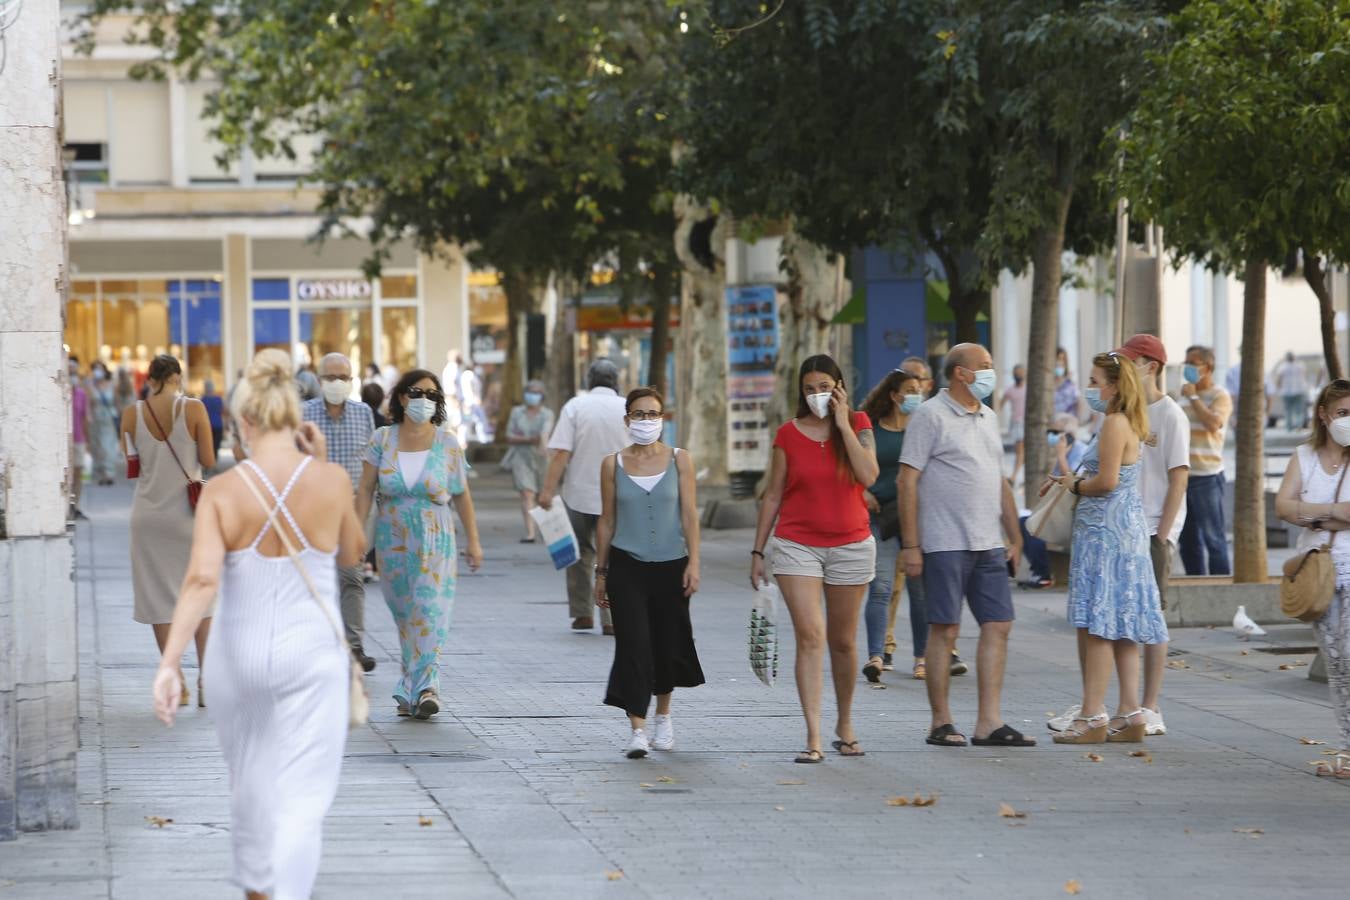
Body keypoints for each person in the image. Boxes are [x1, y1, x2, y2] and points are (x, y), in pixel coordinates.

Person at [151, 348, 364, 900]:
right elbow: (352, 555)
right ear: (295, 420)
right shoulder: (332, 480)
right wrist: (320, 462)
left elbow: (200, 582)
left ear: (243, 423)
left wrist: (171, 664)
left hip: (236, 657)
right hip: (311, 656)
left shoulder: (221, 491)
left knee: (249, 788)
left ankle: (255, 888)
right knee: (302, 798)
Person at [899, 343, 1032, 748]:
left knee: (999, 624)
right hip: (943, 542)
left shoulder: (989, 416)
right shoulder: (930, 415)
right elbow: (907, 480)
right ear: (961, 373)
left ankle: (988, 722)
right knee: (945, 627)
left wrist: (1015, 534)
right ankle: (941, 722)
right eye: (986, 366)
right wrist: (911, 545)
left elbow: (999, 480)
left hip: (987, 542)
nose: (992, 372)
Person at [750, 355, 879, 763]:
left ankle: (845, 724)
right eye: (809, 388)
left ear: (839, 387)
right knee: (810, 634)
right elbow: (773, 494)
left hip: (851, 544)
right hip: (796, 544)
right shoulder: (787, 434)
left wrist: (842, 423)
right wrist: (758, 550)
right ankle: (813, 736)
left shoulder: (859, 424)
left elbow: (869, 476)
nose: (817, 395)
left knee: (842, 641)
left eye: (825, 386)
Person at [1045, 352, 1170, 744]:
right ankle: (1130, 712)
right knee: (1121, 626)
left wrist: (1075, 486)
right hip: (1120, 533)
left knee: (1099, 625)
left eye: (1096, 381)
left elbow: (1108, 482)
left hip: (1107, 535)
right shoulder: (1125, 421)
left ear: (1114, 386)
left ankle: (1092, 714)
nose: (1091, 388)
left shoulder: (1115, 422)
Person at [356, 370, 483, 719]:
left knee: (429, 612)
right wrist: (357, 535)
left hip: (436, 538)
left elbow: (462, 496)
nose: (424, 400)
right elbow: (366, 490)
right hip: (392, 540)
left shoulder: (448, 443)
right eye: (417, 392)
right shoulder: (382, 439)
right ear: (401, 397)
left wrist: (473, 541)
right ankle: (409, 686)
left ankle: (427, 687)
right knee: (407, 616)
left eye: (432, 395)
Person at [594, 387, 704, 758]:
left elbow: (689, 514)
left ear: (663, 418)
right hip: (627, 565)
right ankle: (637, 727)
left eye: (652, 414)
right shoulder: (612, 464)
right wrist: (601, 571)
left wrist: (694, 562)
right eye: (639, 415)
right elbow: (607, 520)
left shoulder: (680, 460)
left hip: (672, 563)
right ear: (627, 420)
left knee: (666, 642)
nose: (646, 421)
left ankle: (664, 717)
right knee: (633, 644)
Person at [122, 354, 216, 706]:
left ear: (151, 378)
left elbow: (131, 465)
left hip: (147, 516)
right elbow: (206, 458)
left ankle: (175, 678)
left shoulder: (132, 413)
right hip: (187, 515)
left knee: (159, 600)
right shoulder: (193, 409)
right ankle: (207, 679)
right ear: (178, 375)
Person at [1274, 379, 1350, 777]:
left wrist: (1311, 511)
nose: (1348, 421)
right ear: (1323, 414)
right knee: (1336, 663)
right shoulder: (1304, 456)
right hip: (1318, 572)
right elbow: (1282, 506)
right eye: (1341, 413)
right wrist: (1332, 510)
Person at [1115, 334, 1188, 737]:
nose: (1126, 368)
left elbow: (1179, 478)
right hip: (1124, 527)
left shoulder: (1171, 414)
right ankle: (1129, 704)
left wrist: (1161, 535)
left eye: (1132, 361)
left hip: (1154, 528)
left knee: (1153, 616)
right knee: (1127, 616)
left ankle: (1152, 704)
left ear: (1152, 366)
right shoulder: (1125, 410)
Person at [539, 359, 630, 634]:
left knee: (579, 553)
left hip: (579, 493)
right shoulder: (627, 407)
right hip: (618, 494)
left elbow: (561, 453)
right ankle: (612, 618)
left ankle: (582, 614)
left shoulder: (575, 406)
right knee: (615, 554)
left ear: (590, 380)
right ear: (615, 381)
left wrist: (547, 490)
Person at [889, 356, 966, 677]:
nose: (914, 388)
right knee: (890, 587)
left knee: (929, 590)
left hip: (932, 517)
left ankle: (940, 650)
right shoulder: (888, 422)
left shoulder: (936, 417)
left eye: (918, 381)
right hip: (892, 516)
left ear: (928, 384)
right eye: (907, 382)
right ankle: (886, 644)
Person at [303, 352, 378, 673]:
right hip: (315, 509)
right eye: (331, 378)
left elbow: (371, 468)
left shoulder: (364, 415)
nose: (337, 383)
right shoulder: (303, 415)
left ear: (352, 380)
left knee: (351, 578)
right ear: (319, 380)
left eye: (343, 378)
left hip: (352, 508)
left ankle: (353, 645)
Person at [858, 368, 926, 682]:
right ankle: (875, 655)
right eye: (910, 389)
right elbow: (854, 466)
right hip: (880, 516)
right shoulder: (871, 429)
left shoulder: (924, 427)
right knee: (881, 586)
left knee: (919, 589)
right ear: (894, 395)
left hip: (916, 515)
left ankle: (922, 657)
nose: (916, 394)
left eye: (919, 389)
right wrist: (863, 492)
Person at [1178, 345, 1232, 575]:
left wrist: (1193, 397)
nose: (1187, 367)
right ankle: (1195, 582)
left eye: (1193, 362)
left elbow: (1213, 423)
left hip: (1207, 476)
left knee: (1214, 538)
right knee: (1188, 539)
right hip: (1182, 477)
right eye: (1186, 362)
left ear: (1207, 367)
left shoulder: (1220, 395)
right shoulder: (1180, 397)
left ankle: (1220, 588)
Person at [1018, 413, 1089, 590]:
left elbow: (1072, 481)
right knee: (1025, 523)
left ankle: (1043, 574)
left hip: (1073, 510)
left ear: (1069, 435)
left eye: (1055, 432)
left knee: (1033, 526)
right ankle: (1039, 572)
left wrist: (1061, 455)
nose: (1051, 435)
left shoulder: (1080, 451)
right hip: (1063, 508)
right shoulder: (1065, 452)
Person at [502, 379, 556, 543]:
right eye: (530, 391)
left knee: (543, 496)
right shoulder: (517, 412)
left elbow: (545, 433)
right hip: (521, 457)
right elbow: (509, 437)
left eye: (536, 392)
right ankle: (530, 533)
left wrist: (541, 442)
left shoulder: (547, 414)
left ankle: (547, 531)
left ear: (542, 395)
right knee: (527, 494)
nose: (532, 395)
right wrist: (530, 439)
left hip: (542, 458)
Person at [88, 361, 121, 486]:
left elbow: (117, 401)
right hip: (95, 419)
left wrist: (119, 417)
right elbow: (89, 402)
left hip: (109, 418)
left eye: (99, 369)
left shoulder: (111, 384)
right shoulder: (90, 385)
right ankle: (101, 473)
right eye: (95, 369)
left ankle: (109, 473)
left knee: (107, 445)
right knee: (97, 446)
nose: (97, 371)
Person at [69, 356, 89, 519]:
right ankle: (67, 505)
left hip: (79, 439)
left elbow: (84, 418)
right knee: (68, 474)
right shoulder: (61, 392)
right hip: (65, 442)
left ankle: (76, 505)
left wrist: (86, 440)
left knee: (79, 473)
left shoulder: (81, 394)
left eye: (74, 371)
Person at [1001, 364, 1027, 483]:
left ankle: (1016, 476)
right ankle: (1014, 476)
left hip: (1028, 424)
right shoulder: (1010, 390)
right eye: (1017, 373)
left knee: (1024, 451)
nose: (1019, 375)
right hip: (1016, 424)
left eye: (1021, 373)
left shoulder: (1028, 389)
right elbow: (1000, 404)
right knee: (1020, 450)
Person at [1274, 351, 1310, 431]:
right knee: (1299, 410)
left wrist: (1278, 389)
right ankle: (1298, 426)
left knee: (1288, 410)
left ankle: (1289, 427)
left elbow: (1278, 379)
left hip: (1286, 392)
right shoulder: (1300, 366)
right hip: (1299, 390)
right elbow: (1305, 376)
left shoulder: (1282, 367)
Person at [201, 380, 227, 459]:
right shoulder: (218, 399)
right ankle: (214, 462)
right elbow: (224, 411)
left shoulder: (203, 400)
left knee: (208, 446)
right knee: (216, 445)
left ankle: (209, 463)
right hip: (218, 425)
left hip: (207, 426)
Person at [1055, 347, 1081, 417]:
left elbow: (1078, 402)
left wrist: (1077, 419)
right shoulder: (1047, 384)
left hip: (1068, 423)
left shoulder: (1070, 383)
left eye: (1062, 359)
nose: (1059, 362)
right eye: (1057, 358)